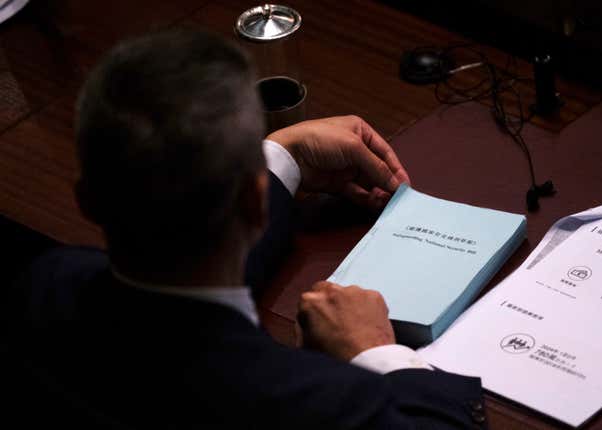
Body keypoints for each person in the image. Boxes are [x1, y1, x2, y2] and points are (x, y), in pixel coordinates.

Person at [7, 29, 486, 429]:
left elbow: (176, 291)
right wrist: (375, 353)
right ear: (256, 205)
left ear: (86, 201)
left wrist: (283, 153)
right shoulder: (310, 400)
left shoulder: (44, 284)